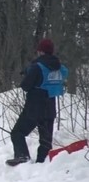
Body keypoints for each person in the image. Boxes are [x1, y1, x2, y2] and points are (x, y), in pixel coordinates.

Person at [6, 38, 69, 166]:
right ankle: (43, 162)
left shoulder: (37, 67)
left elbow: (25, 86)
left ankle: (22, 156)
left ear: (40, 52)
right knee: (45, 140)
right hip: (50, 106)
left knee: (17, 133)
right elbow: (63, 74)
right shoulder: (60, 68)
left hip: (35, 106)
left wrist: (28, 72)